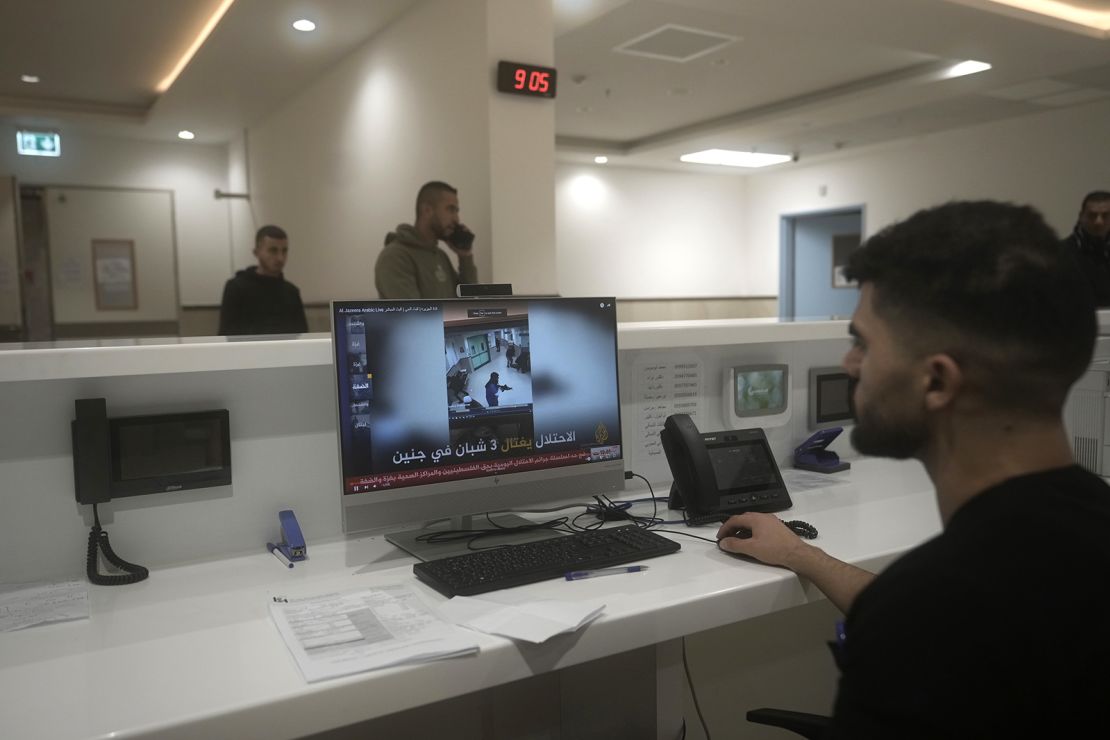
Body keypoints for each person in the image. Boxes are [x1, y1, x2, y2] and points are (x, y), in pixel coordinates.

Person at [716, 201, 1110, 737]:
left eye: (863, 343)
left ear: (937, 382)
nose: (849, 365)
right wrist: (801, 555)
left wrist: (892, 619)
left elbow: (926, 616)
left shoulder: (923, 616)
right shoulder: (1077, 533)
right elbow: (947, 614)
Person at [375, 181, 478, 298]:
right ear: (427, 210)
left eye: (456, 211)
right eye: (450, 209)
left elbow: (469, 301)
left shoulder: (440, 256)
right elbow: (413, 315)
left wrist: (465, 257)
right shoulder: (395, 257)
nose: (456, 219)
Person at [218, 225, 308, 336]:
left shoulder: (291, 292)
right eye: (273, 250)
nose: (280, 258)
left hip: (286, 353)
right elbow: (226, 336)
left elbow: (303, 337)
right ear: (256, 252)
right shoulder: (236, 288)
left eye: (284, 251)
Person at [1062, 190, 1110, 307]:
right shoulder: (1061, 252)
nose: (1099, 221)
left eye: (1106, 215)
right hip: (1077, 322)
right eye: (1092, 215)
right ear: (1081, 216)